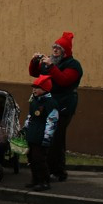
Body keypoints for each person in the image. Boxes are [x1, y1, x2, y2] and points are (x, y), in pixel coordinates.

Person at [28, 32, 82, 182]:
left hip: (64, 105)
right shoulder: (50, 62)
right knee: (44, 136)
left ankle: (58, 171)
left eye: (59, 49)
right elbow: (35, 73)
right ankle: (45, 169)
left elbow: (64, 80)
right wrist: (34, 61)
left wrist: (51, 67)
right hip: (47, 104)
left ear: (65, 52)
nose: (55, 51)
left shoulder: (73, 65)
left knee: (56, 138)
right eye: (54, 48)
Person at [23, 76, 59, 192]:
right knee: (31, 159)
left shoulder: (50, 103)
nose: (34, 90)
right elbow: (30, 116)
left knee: (39, 159)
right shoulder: (34, 100)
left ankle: (44, 181)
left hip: (41, 136)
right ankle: (35, 180)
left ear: (45, 89)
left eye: (37, 88)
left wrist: (47, 138)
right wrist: (26, 127)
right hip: (32, 134)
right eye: (34, 87)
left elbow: (52, 122)